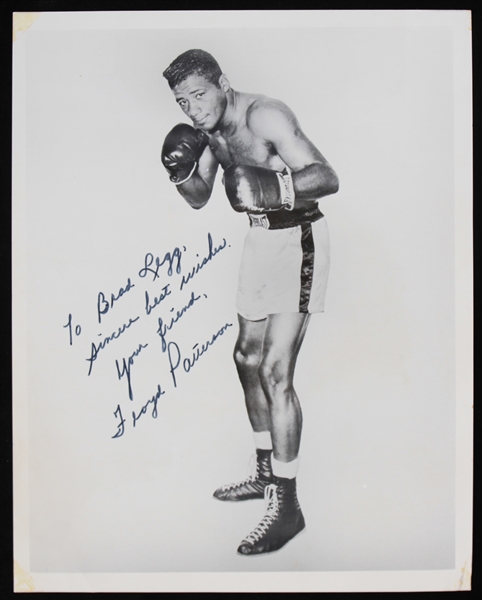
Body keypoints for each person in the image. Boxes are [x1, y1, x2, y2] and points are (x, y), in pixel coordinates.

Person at [162, 49, 339, 556]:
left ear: (222, 82)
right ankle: (265, 470)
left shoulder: (265, 114)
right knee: (245, 358)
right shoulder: (210, 133)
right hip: (260, 242)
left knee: (276, 372)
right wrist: (177, 171)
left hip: (299, 239)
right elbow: (199, 196)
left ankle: (288, 506)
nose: (193, 109)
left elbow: (327, 177)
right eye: (182, 102)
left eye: (199, 94)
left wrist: (273, 185)